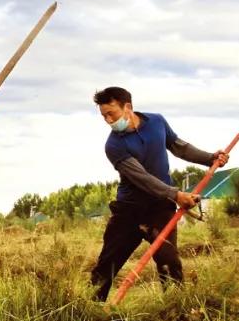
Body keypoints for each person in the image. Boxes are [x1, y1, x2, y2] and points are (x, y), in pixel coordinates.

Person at [90, 86, 229, 301]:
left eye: (111, 113)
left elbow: (179, 147)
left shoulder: (156, 122)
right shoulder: (114, 146)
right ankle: (89, 313)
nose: (108, 120)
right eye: (104, 116)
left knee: (169, 262)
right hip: (129, 211)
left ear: (128, 107)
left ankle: (176, 311)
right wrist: (176, 194)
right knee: (107, 265)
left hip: (160, 209)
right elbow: (142, 178)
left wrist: (210, 158)